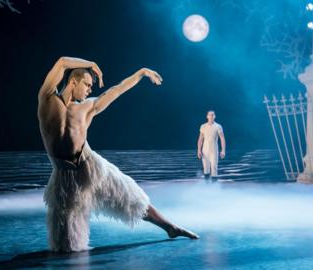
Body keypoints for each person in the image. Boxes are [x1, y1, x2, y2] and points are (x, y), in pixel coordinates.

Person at [38, 56, 198, 252]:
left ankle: (170, 227)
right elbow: (62, 62)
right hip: (64, 175)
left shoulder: (87, 107)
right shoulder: (47, 98)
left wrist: (141, 73)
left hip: (90, 164)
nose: (90, 89)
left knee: (131, 197)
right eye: (87, 84)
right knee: (66, 244)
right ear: (73, 81)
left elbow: (116, 90)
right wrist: (90, 64)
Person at [197, 110, 226, 178]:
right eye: (210, 115)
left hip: (214, 150)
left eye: (213, 115)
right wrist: (199, 150)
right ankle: (207, 187)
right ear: (207, 116)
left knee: (214, 169)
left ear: (215, 116)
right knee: (206, 170)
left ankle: (214, 187)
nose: (211, 116)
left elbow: (222, 139)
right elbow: (200, 139)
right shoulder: (203, 126)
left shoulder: (218, 126)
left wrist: (223, 151)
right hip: (205, 150)